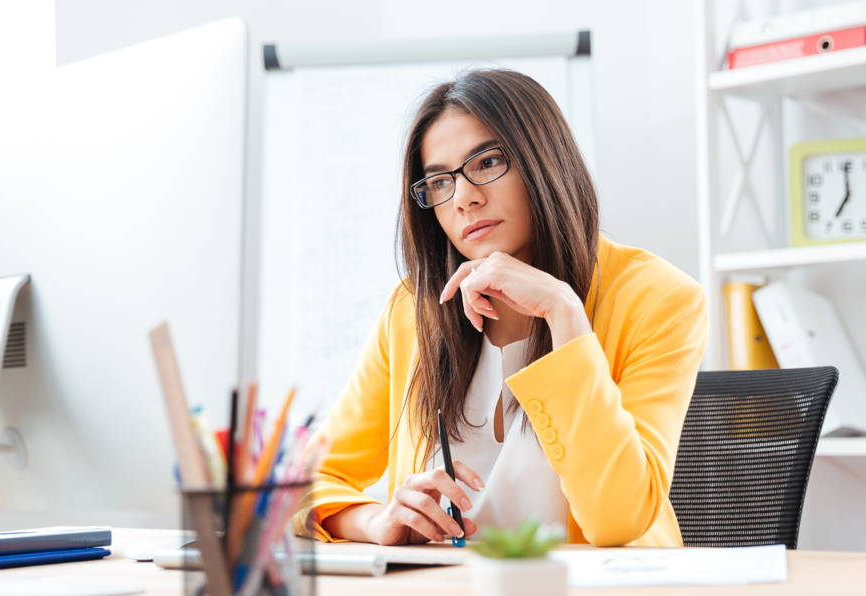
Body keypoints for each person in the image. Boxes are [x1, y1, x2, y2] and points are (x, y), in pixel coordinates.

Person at [295, 69, 708, 547]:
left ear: (545, 161)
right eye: (439, 183)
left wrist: (564, 313)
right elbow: (301, 484)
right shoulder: (414, 310)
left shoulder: (658, 299)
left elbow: (618, 519)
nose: (465, 198)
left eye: (487, 162)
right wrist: (375, 521)